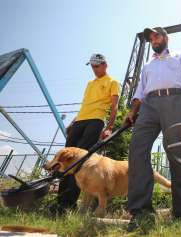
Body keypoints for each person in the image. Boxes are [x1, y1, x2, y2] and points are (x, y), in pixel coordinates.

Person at [123, 27, 181, 232]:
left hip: (174, 100)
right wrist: (132, 111)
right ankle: (141, 211)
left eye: (156, 35)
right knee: (137, 149)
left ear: (166, 37)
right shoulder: (148, 64)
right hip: (149, 105)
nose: (153, 39)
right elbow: (140, 90)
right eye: (150, 38)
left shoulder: (180, 55)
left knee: (176, 152)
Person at [53, 53, 120, 214]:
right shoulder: (90, 83)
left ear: (105, 65)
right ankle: (60, 202)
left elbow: (115, 106)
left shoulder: (112, 82)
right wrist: (73, 122)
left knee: (78, 162)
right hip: (80, 122)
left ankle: (68, 203)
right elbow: (85, 105)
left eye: (97, 66)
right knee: (65, 160)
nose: (94, 69)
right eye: (92, 66)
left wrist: (109, 126)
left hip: (95, 121)